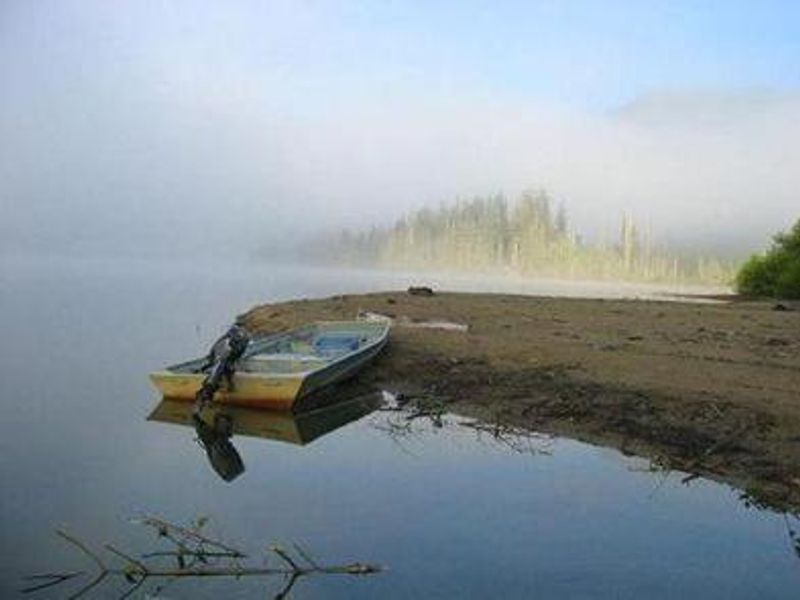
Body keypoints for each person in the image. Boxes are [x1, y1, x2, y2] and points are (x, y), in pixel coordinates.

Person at [194, 317, 251, 414]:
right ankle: (206, 396)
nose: (242, 331)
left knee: (224, 368)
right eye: (241, 329)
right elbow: (220, 358)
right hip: (221, 358)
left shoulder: (244, 337)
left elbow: (237, 354)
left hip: (226, 357)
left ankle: (212, 392)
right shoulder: (229, 340)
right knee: (218, 371)